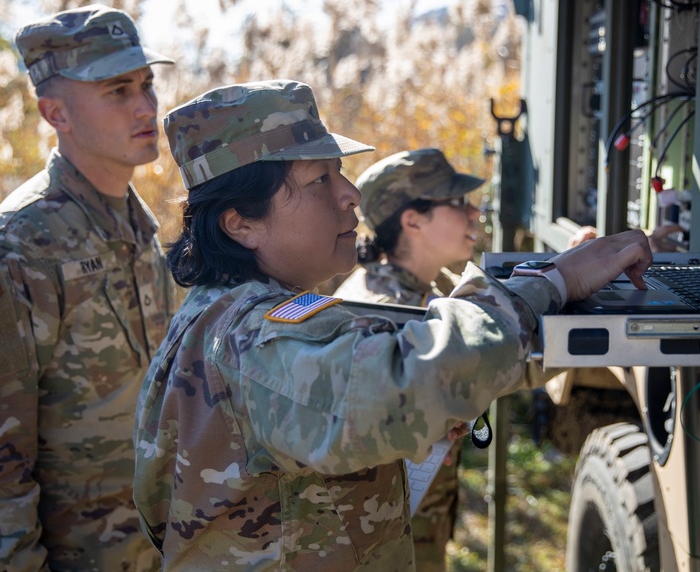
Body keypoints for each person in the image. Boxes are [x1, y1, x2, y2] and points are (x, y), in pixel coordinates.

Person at [134, 79, 652, 570]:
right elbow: (401, 382)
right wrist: (552, 283)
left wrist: (560, 289)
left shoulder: (240, 313)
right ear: (240, 223)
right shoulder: (254, 338)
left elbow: (417, 354)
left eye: (339, 172)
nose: (350, 194)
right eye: (320, 180)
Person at [0, 4, 176, 571]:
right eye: (117, 91)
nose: (146, 106)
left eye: (146, 84)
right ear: (54, 112)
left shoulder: (139, 231)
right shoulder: (10, 249)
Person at [333, 148, 485, 571]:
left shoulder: (422, 285)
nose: (474, 212)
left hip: (413, 520)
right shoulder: (381, 314)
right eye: (456, 203)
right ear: (412, 220)